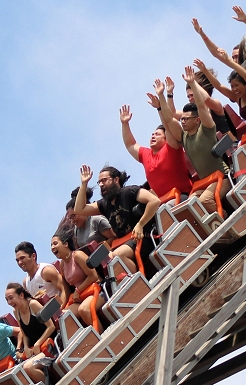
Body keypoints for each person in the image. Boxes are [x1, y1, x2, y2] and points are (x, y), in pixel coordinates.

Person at [72, 164, 160, 273]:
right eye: (99, 182)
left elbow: (154, 201)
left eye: (104, 180)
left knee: (117, 255)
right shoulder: (104, 205)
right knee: (106, 260)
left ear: (116, 179)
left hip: (145, 237)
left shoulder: (128, 192)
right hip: (125, 243)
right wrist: (84, 183)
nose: (101, 185)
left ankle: (140, 283)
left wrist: (140, 224)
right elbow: (79, 210)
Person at [165, 66, 227, 212]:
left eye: (193, 94)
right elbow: (172, 114)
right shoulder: (190, 119)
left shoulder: (212, 108)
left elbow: (203, 104)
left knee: (205, 200)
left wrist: (193, 83)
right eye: (188, 96)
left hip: (224, 152)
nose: (191, 98)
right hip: (207, 165)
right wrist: (169, 94)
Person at [120, 85, 192, 197]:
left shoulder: (171, 147)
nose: (153, 136)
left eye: (157, 134)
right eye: (152, 134)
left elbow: (168, 125)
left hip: (182, 196)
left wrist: (159, 108)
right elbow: (130, 144)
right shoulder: (145, 154)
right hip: (161, 204)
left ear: (166, 139)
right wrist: (125, 124)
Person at [3, 282, 55, 381]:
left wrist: (38, 343)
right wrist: (26, 347)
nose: (9, 302)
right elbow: (24, 332)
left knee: (28, 367)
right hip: (34, 349)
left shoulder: (33, 304)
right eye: (7, 300)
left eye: (11, 298)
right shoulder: (16, 312)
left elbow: (51, 326)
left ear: (21, 295)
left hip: (49, 344)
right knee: (17, 372)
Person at [50, 230, 100, 326]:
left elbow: (93, 276)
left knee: (84, 310)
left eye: (55, 243)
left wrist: (78, 290)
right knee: (63, 318)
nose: (52, 248)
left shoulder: (77, 255)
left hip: (95, 290)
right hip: (80, 297)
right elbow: (67, 288)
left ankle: (101, 336)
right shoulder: (62, 265)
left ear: (65, 244)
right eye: (51, 246)